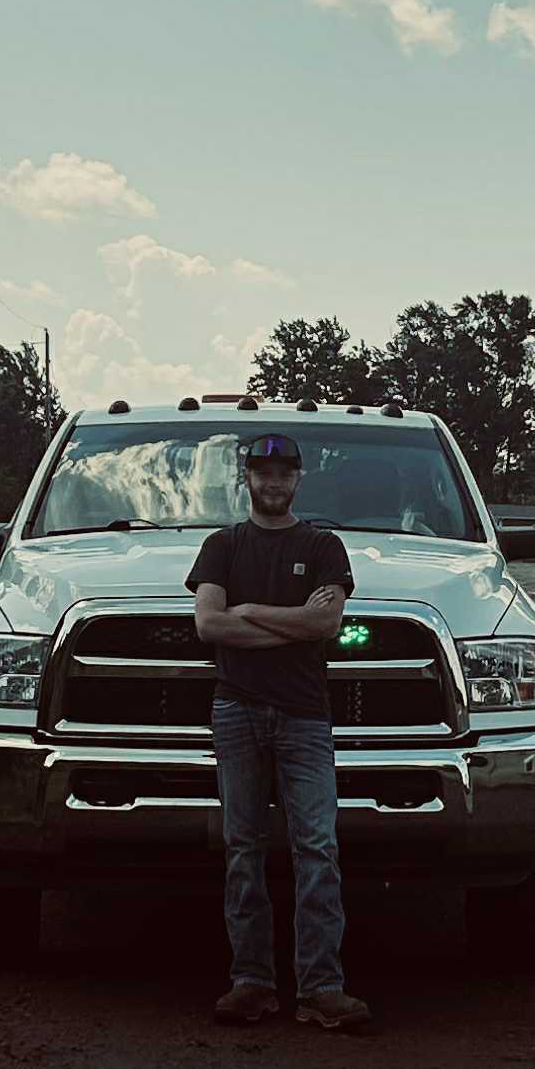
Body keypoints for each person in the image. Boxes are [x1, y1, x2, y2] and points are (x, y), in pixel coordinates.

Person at [186, 432, 371, 1032]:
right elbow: (210, 624)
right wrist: (294, 625)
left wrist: (253, 612)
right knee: (244, 848)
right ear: (247, 477)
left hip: (305, 717)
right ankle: (252, 981)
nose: (273, 481)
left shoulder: (322, 545)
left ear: (298, 478)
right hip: (236, 712)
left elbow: (328, 621)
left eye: (283, 472)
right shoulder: (222, 546)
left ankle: (321, 987)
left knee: (318, 848)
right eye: (262, 471)